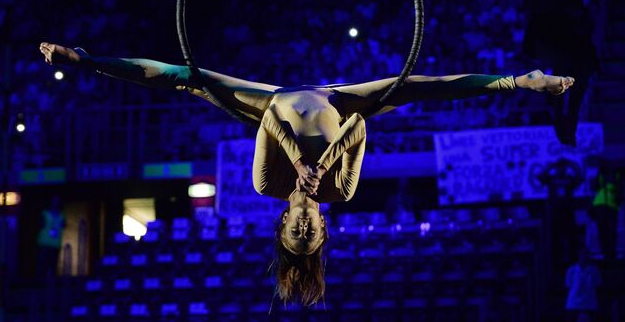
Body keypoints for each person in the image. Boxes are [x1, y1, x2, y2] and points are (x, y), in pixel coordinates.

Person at [39, 42, 574, 304]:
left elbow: (272, 119)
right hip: (338, 102)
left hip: (268, 102)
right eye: (309, 234)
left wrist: (298, 162)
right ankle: (519, 82)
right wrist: (327, 157)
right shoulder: (341, 190)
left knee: (186, 77)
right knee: (420, 87)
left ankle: (86, 59)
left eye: (293, 233)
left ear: (281, 226)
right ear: (321, 229)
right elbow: (360, 127)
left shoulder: (267, 185)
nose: (302, 226)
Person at [565, 249, 602, 322]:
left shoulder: (594, 270)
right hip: (574, 303)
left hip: (590, 303)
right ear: (578, 256)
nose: (584, 257)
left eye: (586, 255)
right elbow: (568, 285)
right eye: (582, 255)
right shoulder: (571, 269)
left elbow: (598, 284)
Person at [36, 195, 66, 277]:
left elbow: (64, 225)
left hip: (55, 244)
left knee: (53, 265)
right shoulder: (44, 214)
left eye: (57, 201)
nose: (55, 203)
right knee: (42, 264)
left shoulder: (61, 216)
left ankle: (51, 284)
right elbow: (39, 225)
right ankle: (39, 283)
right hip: (44, 243)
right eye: (54, 201)